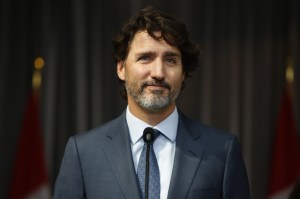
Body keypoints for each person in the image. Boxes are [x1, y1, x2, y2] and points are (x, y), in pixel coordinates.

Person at [53, 6, 250, 199]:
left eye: (170, 60)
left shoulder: (222, 151)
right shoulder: (83, 152)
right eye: (145, 58)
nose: (158, 73)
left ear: (183, 74)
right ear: (121, 68)